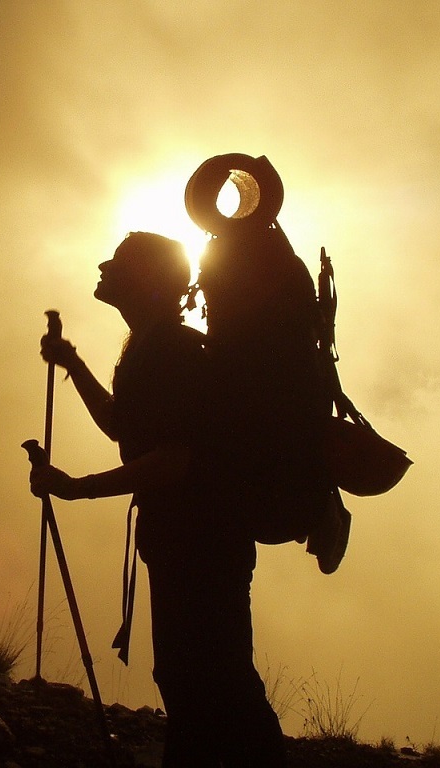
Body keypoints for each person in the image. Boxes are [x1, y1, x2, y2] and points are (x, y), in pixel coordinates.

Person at [29, 231, 288, 767]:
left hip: (201, 542)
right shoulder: (154, 347)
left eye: (119, 262)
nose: (104, 266)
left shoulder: (171, 351)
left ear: (145, 277)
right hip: (189, 541)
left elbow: (174, 459)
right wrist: (73, 363)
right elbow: (124, 426)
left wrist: (78, 488)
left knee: (210, 677)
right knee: (194, 675)